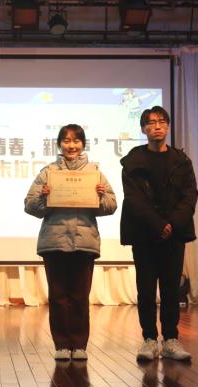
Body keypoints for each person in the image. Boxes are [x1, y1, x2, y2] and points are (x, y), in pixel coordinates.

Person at [24, 124, 117, 361]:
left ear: (83, 144)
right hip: (54, 242)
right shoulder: (48, 172)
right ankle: (62, 345)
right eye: (66, 141)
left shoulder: (94, 173)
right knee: (58, 297)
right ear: (59, 144)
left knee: (79, 297)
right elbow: (29, 205)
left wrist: (100, 196)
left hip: (84, 242)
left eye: (76, 141)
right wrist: (44, 196)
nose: (71, 145)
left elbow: (111, 205)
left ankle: (79, 345)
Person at [120, 106, 198, 361]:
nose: (157, 126)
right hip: (144, 234)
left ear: (168, 126)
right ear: (143, 128)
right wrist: (157, 224)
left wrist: (172, 224)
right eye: (151, 123)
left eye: (162, 122)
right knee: (145, 289)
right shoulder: (133, 161)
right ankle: (149, 340)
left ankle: (171, 339)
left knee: (170, 289)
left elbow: (190, 195)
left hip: (173, 235)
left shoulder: (181, 161)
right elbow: (134, 199)